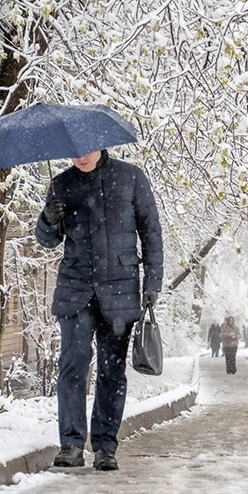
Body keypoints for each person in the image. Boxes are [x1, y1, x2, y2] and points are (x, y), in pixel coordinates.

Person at [35, 149, 163, 471]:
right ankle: (71, 444)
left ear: (102, 144)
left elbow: (151, 233)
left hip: (120, 290)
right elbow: (47, 240)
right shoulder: (61, 184)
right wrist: (48, 218)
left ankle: (105, 445)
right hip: (75, 290)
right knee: (73, 365)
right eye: (74, 152)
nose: (80, 157)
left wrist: (153, 283)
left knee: (111, 371)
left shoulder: (131, 178)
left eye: (86, 151)